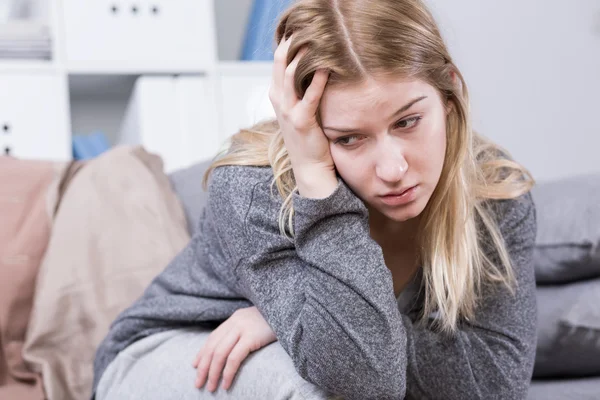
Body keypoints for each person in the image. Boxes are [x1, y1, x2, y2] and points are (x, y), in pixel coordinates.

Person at [92, 0, 538, 399]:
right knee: (317, 388)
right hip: (177, 350)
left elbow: (496, 381)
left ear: (449, 91)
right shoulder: (252, 192)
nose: (392, 169)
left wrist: (301, 326)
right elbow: (362, 379)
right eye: (349, 139)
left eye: (408, 122)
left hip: (316, 361)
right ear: (305, 128)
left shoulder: (493, 190)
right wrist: (315, 180)